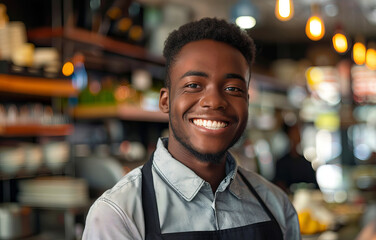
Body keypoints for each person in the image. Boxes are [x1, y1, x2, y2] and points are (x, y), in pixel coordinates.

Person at [82, 18, 301, 239]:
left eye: (233, 88)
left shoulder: (276, 205)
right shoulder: (119, 215)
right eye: (193, 85)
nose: (214, 101)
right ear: (165, 101)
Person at [273, 123, 318, 194]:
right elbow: (279, 187)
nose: (297, 137)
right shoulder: (282, 163)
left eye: (298, 134)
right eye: (294, 134)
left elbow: (315, 188)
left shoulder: (306, 163)